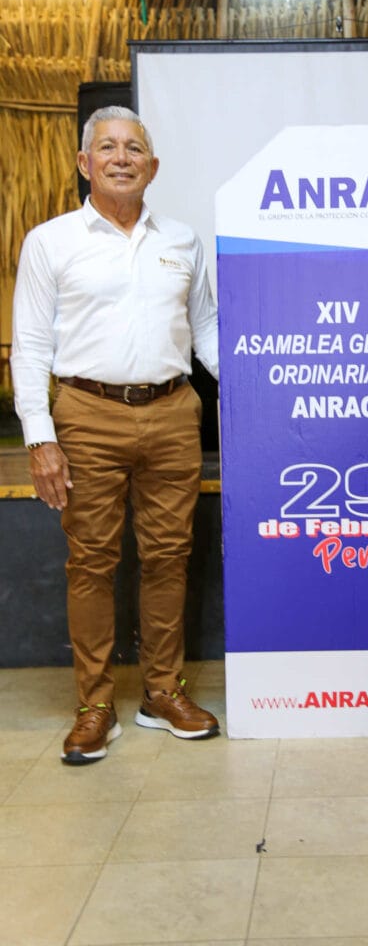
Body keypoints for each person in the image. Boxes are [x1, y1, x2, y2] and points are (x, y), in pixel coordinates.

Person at [11, 106, 221, 764]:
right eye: (108, 148)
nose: (122, 157)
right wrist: (40, 437)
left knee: (167, 559)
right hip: (86, 415)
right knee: (92, 564)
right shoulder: (50, 241)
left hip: (171, 411)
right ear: (84, 164)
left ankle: (162, 691)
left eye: (135, 148)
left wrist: (261, 392)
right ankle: (95, 706)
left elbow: (207, 331)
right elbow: (30, 347)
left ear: (153, 167)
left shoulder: (182, 240)